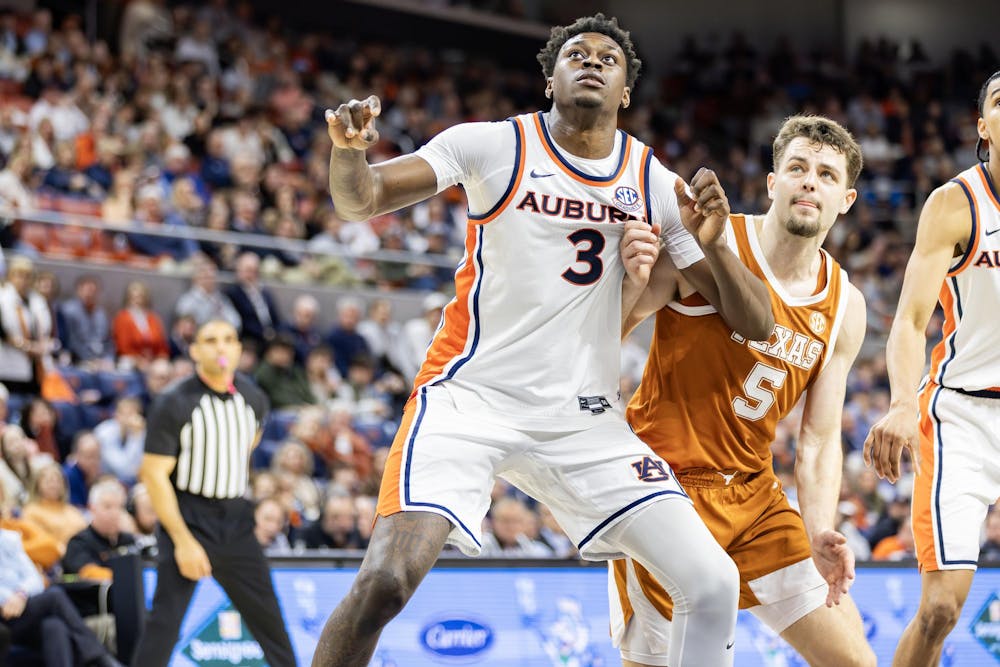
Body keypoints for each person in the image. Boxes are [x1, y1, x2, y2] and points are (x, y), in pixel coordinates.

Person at [312, 13, 774, 667]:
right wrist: (350, 152)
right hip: (470, 397)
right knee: (386, 582)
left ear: (626, 93)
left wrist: (715, 245)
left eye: (608, 58)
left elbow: (757, 324)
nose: (592, 61)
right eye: (576, 54)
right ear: (550, 82)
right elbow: (363, 200)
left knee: (712, 581)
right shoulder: (492, 146)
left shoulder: (653, 181)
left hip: (582, 419)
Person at [609, 116, 875, 667]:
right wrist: (629, 280)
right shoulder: (707, 236)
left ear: (845, 199)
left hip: (755, 496)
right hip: (667, 490)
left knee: (856, 662)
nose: (810, 182)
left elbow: (821, 438)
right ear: (773, 182)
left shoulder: (845, 304)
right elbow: (608, 331)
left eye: (826, 174)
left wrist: (821, 525)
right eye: (798, 168)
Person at [864, 70, 1000, 667]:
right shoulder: (955, 203)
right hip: (963, 416)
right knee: (942, 609)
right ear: (982, 126)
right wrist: (899, 403)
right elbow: (909, 319)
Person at [131, 319, 295, 667]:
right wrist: (182, 540)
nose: (220, 347)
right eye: (210, 340)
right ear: (194, 351)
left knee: (270, 622)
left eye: (228, 340)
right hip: (188, 516)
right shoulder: (173, 401)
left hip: (236, 520)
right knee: (164, 624)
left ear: (238, 349)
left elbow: (243, 449)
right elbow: (153, 475)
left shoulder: (254, 399)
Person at [0, 526, 124, 667]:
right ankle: (100, 658)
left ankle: (99, 658)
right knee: (54, 595)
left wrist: (21, 594)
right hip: (3, 614)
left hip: (21, 607)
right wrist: (7, 598)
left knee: (54, 626)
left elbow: (35, 578)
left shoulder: (8, 539)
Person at [62, 479, 136, 582]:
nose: (115, 513)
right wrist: (123, 577)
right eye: (108, 507)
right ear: (92, 508)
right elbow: (88, 573)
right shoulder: (79, 542)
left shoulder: (129, 540)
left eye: (119, 507)